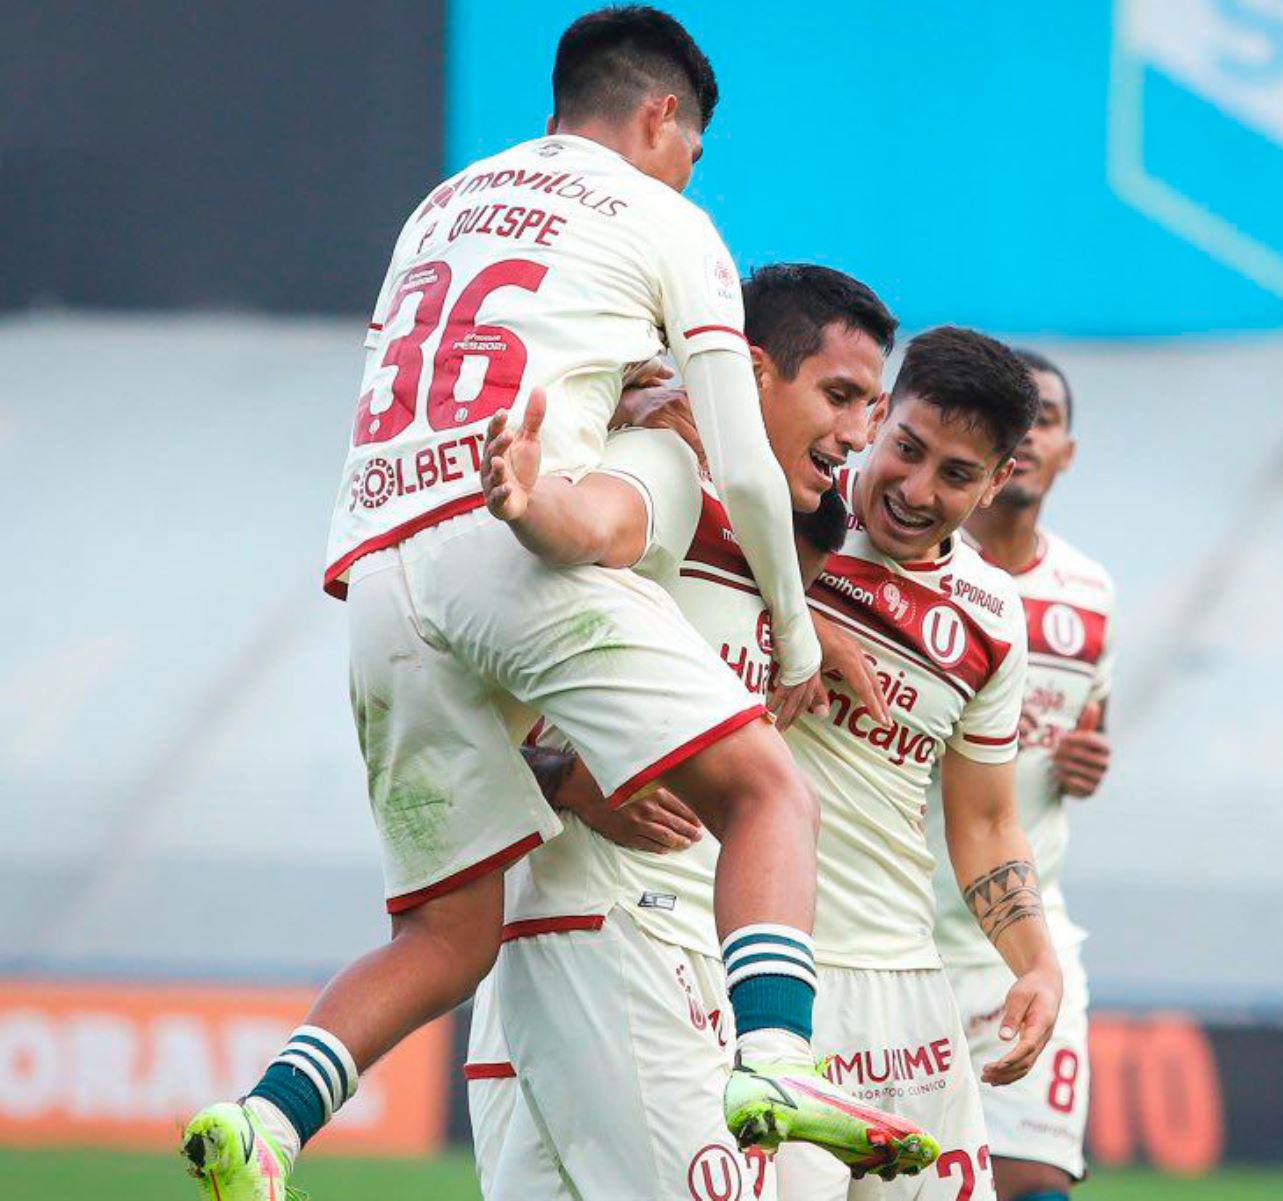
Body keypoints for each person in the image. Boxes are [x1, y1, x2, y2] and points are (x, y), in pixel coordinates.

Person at [181, 12, 876, 1196]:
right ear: (663, 118)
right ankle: (772, 1063)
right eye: (690, 149)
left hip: (380, 576)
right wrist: (796, 637)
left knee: (445, 939)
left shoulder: (437, 208)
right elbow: (749, 471)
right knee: (766, 790)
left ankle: (268, 1122)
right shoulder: (666, 219)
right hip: (510, 541)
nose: (687, 171)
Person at [467, 263, 934, 1197]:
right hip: (621, 936)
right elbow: (597, 521)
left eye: (870, 405)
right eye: (838, 396)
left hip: (598, 945)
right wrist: (535, 507)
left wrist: (807, 623)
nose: (856, 432)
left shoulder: (767, 543)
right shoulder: (668, 466)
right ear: (751, 375)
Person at [773, 328, 1063, 1201]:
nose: (916, 489)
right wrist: (797, 618)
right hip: (774, 968)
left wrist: (1037, 963)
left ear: (999, 479)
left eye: (956, 474)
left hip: (910, 989)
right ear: (879, 415)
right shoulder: (781, 513)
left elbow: (983, 820)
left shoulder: (994, 614)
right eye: (907, 449)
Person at [926, 349, 1116, 1201]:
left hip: (1023, 936)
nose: (1034, 434)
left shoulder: (1090, 592)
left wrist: (1086, 763)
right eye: (1021, 418)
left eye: (1049, 418)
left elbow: (1082, 733)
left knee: (1033, 1178)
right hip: (902, 932)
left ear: (1067, 451)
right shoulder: (917, 566)